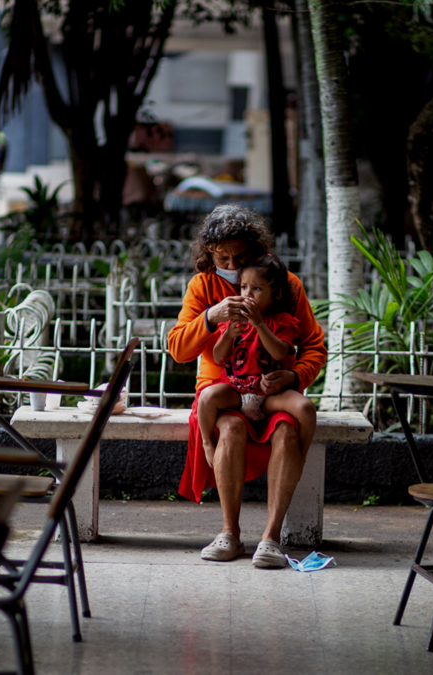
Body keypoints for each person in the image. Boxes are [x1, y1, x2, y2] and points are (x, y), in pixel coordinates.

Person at [168, 205, 325, 569]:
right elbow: (177, 348)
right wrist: (211, 317)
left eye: (240, 256)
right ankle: (229, 533)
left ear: (256, 248)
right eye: (222, 257)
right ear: (208, 254)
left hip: (271, 392)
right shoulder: (202, 286)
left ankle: (270, 539)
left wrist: (295, 376)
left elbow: (313, 346)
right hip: (222, 390)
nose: (232, 263)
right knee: (232, 428)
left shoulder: (286, 285)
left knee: (287, 431)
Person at [196, 253, 316, 467]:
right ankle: (206, 443)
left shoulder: (283, 321)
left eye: (257, 289)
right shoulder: (234, 320)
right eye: (243, 288)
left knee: (306, 408)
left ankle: (302, 454)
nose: (247, 295)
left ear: (276, 294)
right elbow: (218, 356)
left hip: (270, 395)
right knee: (206, 397)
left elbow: (280, 352)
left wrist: (260, 324)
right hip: (236, 391)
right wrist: (228, 335)